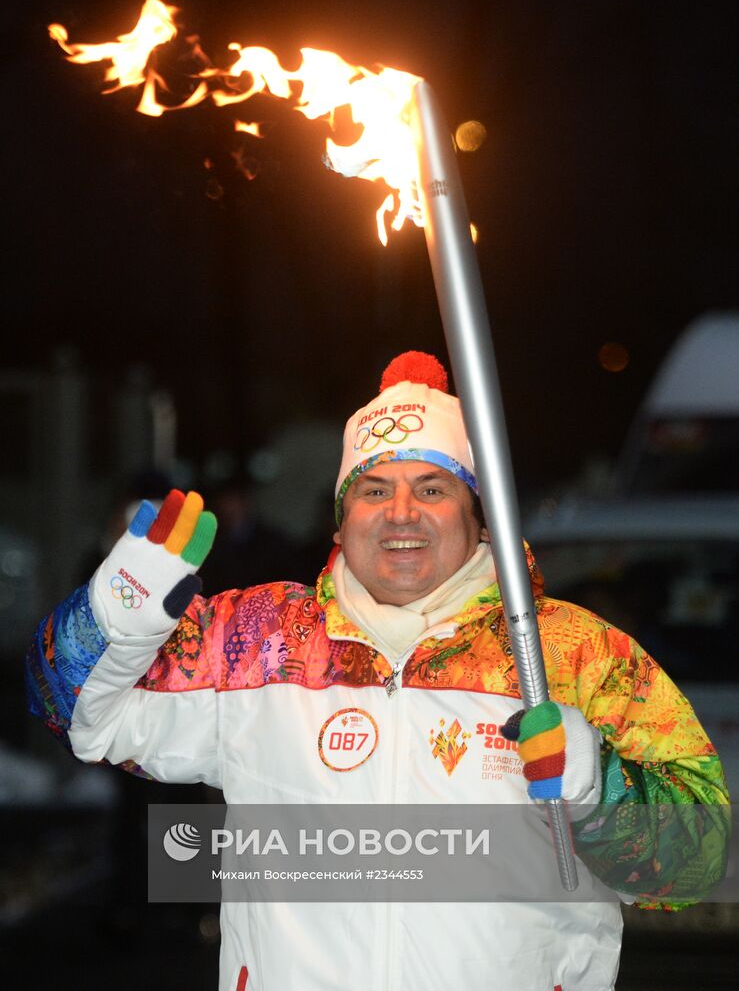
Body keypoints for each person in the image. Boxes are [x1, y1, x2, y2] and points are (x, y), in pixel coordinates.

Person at [26, 351, 729, 991]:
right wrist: (116, 612)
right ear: (339, 519)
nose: (400, 513)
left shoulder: (572, 657)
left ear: (476, 516)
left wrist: (597, 789)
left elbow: (698, 862)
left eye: (431, 488)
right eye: (373, 489)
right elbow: (75, 714)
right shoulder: (257, 640)